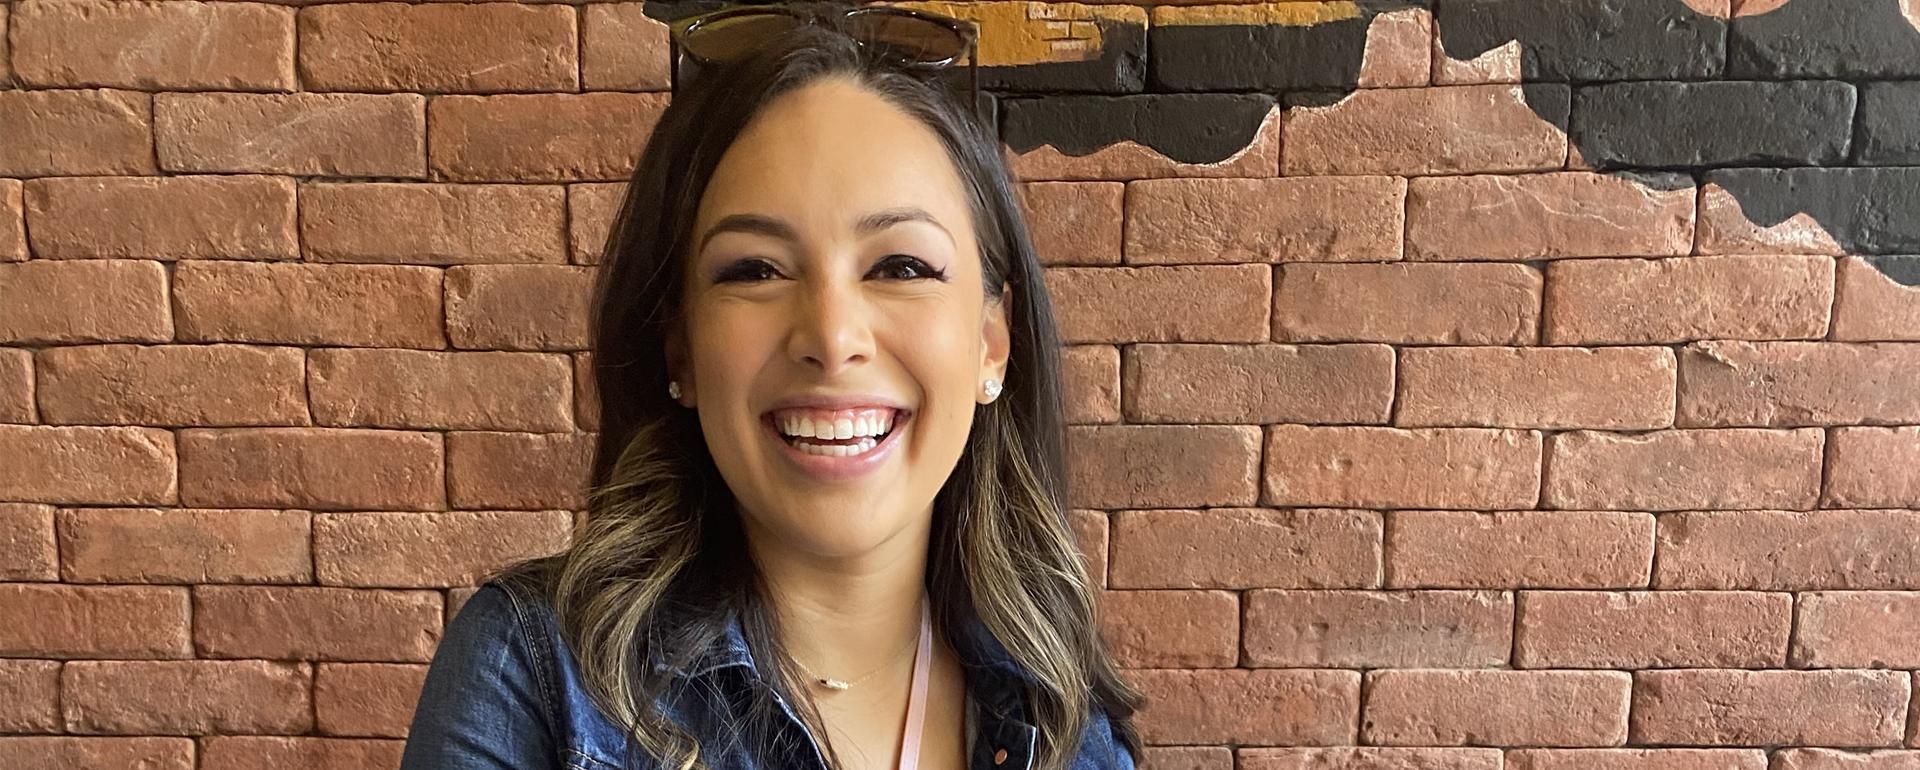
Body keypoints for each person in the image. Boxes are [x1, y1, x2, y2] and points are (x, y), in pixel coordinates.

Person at [398, 4, 1143, 769]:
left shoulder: (1067, 733)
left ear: (992, 342)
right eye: (753, 269)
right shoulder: (533, 677)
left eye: (901, 267)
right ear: (678, 347)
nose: (830, 336)